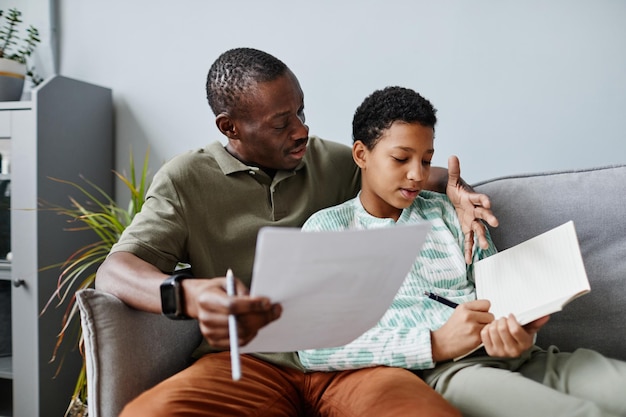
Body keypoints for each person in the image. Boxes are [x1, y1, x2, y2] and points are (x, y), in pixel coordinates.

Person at [96, 48, 497, 416]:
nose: (301, 130)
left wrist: (457, 193)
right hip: (247, 364)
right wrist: (188, 295)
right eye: (281, 123)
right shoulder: (186, 180)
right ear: (230, 126)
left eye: (301, 113)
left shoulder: (331, 161)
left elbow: (411, 174)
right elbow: (115, 270)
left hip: (351, 359)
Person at [297, 86, 626, 417]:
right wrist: (435, 343)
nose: (417, 174)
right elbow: (313, 347)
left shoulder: (450, 213)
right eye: (401, 158)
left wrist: (520, 333)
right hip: (452, 372)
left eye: (426, 160)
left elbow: (499, 293)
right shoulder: (327, 229)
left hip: (526, 357)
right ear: (361, 155)